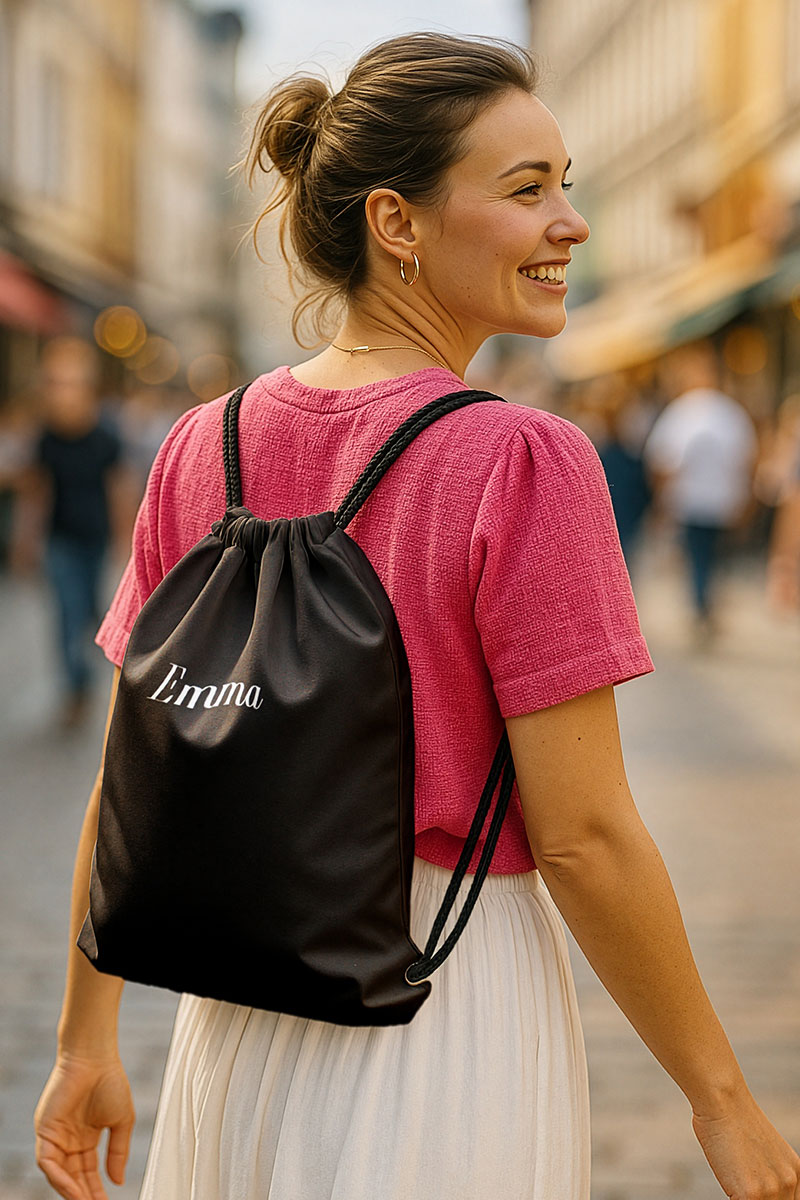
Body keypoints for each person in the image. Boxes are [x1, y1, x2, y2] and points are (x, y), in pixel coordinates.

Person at [34, 33, 800, 1200]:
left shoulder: (204, 443)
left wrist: (85, 1043)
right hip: (441, 996)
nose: (569, 224)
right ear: (395, 222)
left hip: (231, 1018)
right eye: (526, 189)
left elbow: (135, 769)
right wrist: (721, 1101)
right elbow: (582, 838)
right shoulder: (522, 458)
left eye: (567, 187)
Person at [20, 338, 126, 727]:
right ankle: (76, 687)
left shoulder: (105, 435)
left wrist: (123, 539)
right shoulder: (47, 437)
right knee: (67, 611)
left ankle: (85, 670)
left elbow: (120, 487)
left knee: (87, 609)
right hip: (60, 539)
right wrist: (26, 540)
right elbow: (37, 491)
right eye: (55, 383)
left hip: (95, 538)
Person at [643, 340, 759, 647]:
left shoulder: (681, 412)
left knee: (697, 556)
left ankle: (701, 606)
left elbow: (663, 461)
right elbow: (746, 461)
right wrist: (744, 500)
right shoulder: (730, 413)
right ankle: (704, 605)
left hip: (691, 501)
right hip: (722, 501)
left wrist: (661, 501)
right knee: (711, 555)